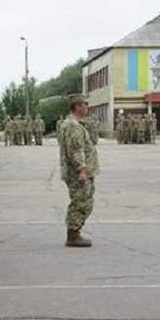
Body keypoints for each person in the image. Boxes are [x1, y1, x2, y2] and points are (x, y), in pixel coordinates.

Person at [58, 94, 99, 247]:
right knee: (81, 202)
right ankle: (73, 234)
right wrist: (82, 169)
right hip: (78, 173)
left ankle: (74, 232)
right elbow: (76, 149)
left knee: (83, 200)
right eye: (85, 104)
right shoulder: (73, 126)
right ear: (78, 106)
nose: (87, 107)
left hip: (77, 171)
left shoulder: (70, 124)